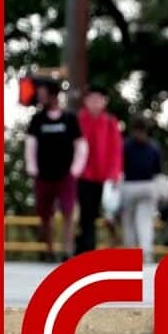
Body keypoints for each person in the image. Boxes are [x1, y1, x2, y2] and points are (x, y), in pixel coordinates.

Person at [25, 81, 87, 261]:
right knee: (45, 214)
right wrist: (32, 166)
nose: (40, 97)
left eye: (43, 93)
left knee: (69, 212)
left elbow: (81, 145)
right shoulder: (37, 119)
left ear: (53, 95)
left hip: (65, 175)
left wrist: (76, 169)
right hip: (43, 175)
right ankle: (49, 250)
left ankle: (67, 250)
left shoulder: (69, 119)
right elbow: (31, 144)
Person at [75, 84, 122, 255]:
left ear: (104, 102)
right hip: (82, 174)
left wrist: (114, 174)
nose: (95, 102)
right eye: (92, 99)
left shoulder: (110, 122)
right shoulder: (79, 120)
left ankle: (89, 246)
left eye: (99, 99)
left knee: (97, 212)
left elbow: (116, 150)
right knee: (85, 213)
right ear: (86, 101)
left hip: (103, 176)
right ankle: (85, 247)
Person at [120, 117, 164, 263]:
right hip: (144, 186)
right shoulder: (153, 147)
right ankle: (145, 252)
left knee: (132, 221)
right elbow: (158, 171)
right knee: (142, 221)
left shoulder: (126, 146)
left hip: (133, 186)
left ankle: (136, 252)